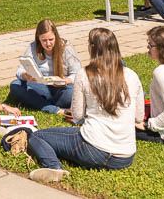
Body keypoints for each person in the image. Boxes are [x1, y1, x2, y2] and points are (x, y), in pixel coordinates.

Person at [27, 28, 145, 183]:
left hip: (92, 150)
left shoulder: (85, 74)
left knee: (37, 136)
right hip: (125, 157)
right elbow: (138, 117)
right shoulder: (132, 75)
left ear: (92, 48)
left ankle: (54, 167)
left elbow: (77, 116)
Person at [9, 19, 81, 115]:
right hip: (41, 87)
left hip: (62, 88)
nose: (48, 44)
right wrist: (26, 76)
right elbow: (20, 70)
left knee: (72, 91)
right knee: (15, 85)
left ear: (56, 36)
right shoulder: (33, 47)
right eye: (44, 40)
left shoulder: (66, 47)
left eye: (51, 39)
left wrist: (64, 80)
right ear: (38, 38)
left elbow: (78, 73)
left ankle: (40, 103)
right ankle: (55, 109)